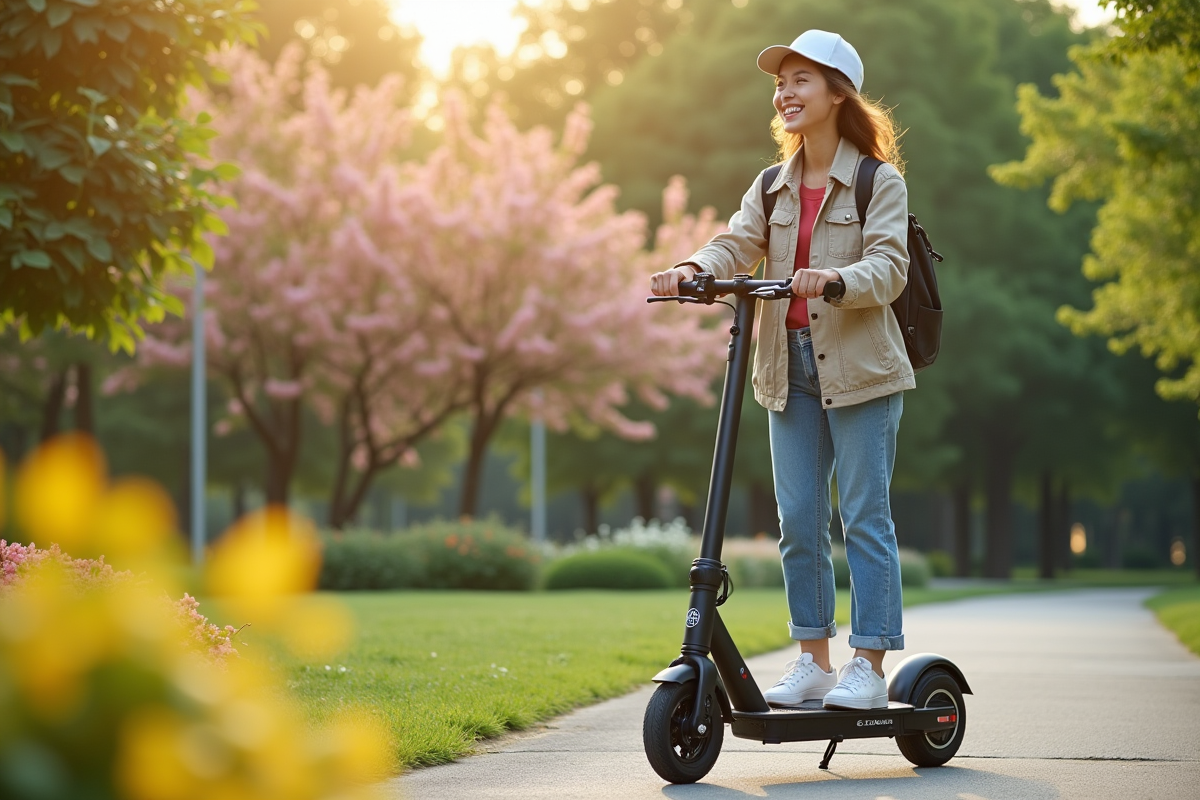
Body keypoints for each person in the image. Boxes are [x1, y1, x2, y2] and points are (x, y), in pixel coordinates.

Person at [649, 30, 912, 711]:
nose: (785, 92)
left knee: (863, 518)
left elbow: (889, 265)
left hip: (861, 371)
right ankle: (814, 660)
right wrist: (695, 269)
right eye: (780, 82)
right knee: (798, 519)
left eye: (801, 79)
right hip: (784, 368)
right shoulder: (773, 185)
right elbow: (737, 241)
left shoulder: (877, 180)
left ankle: (868, 665)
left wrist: (834, 279)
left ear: (836, 92)